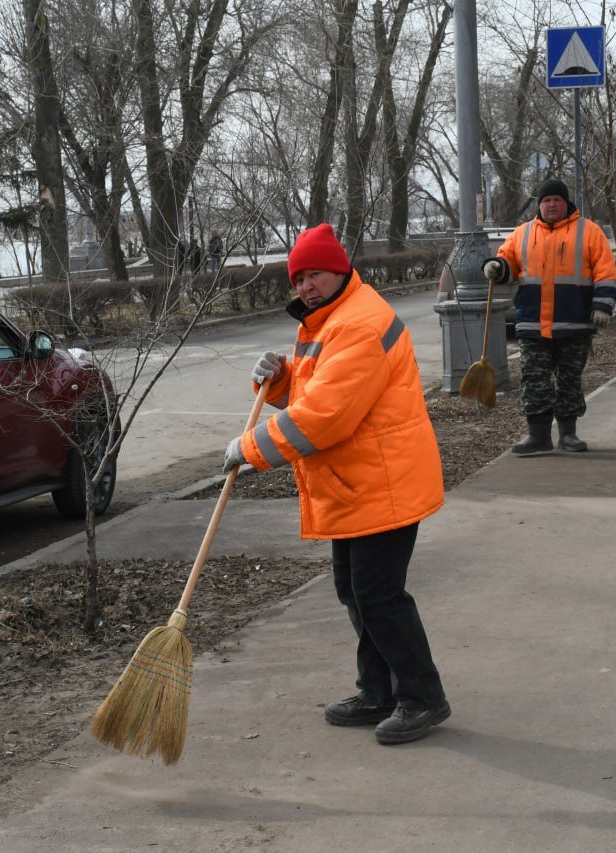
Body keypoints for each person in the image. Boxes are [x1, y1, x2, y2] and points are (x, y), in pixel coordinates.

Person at [221, 222, 450, 745]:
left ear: (341, 270)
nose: (305, 286)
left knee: (379, 596)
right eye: (299, 277)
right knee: (356, 591)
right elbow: (311, 396)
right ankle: (378, 691)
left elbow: (325, 417)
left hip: (382, 483)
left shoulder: (359, 324)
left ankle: (422, 697)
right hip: (358, 483)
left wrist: (251, 447)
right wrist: (278, 382)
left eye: (315, 274)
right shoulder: (328, 322)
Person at [482, 178, 616, 455]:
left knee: (569, 380)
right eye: (546, 200)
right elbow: (507, 260)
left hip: (574, 323)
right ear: (539, 205)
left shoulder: (589, 232)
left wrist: (602, 306)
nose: (551, 204)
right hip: (533, 323)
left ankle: (568, 435)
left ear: (566, 203)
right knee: (534, 380)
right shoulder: (522, 233)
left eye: (556, 199)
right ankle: (538, 436)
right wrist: (496, 266)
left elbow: (605, 271)